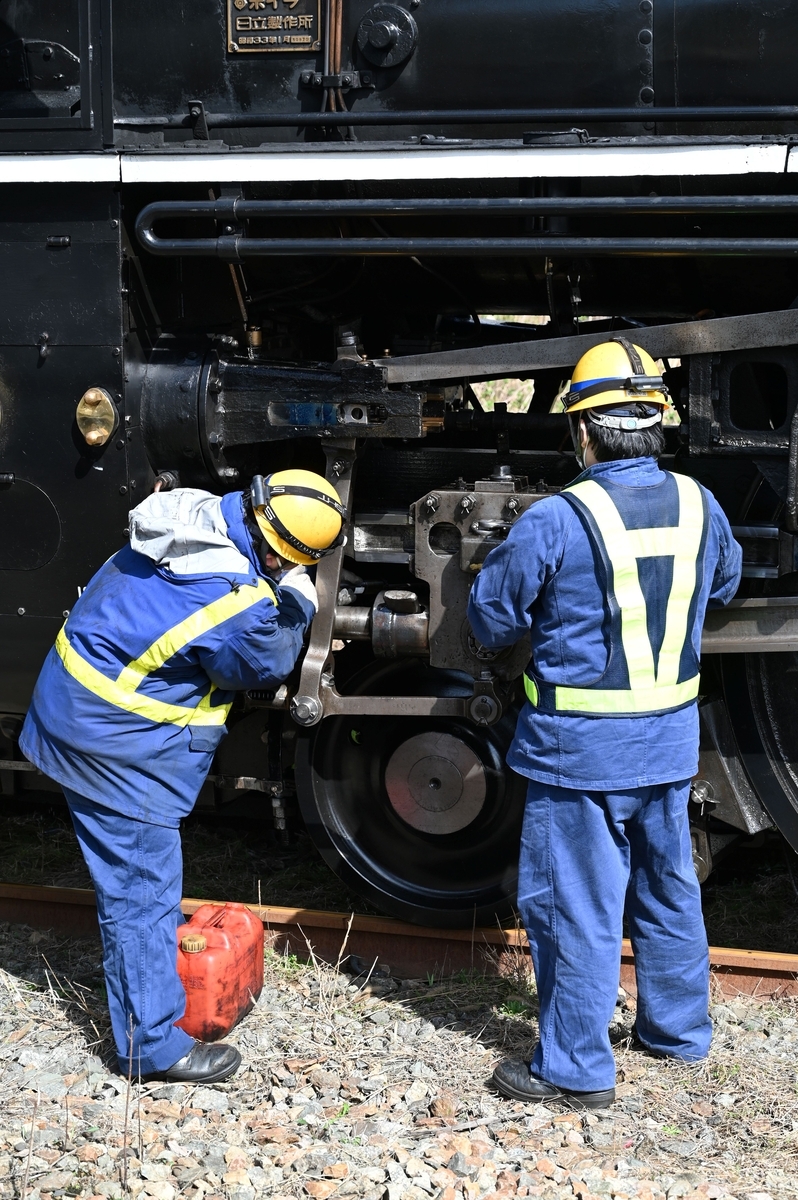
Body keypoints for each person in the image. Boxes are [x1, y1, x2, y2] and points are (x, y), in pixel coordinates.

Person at [468, 338, 742, 1110]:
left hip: (579, 754)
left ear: (583, 433)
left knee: (575, 906)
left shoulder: (559, 517)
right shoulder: (699, 502)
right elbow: (721, 584)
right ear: (655, 423)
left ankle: (574, 1070)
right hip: (667, 742)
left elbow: (491, 617)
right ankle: (678, 1032)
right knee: (667, 887)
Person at [20, 469, 345, 1084]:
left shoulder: (187, 513)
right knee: (141, 891)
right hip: (117, 747)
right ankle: (153, 1047)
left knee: (134, 884)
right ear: (280, 553)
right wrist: (300, 600)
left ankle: (152, 976)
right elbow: (262, 660)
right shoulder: (236, 599)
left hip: (76, 709)